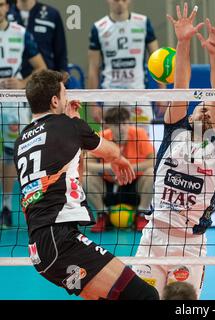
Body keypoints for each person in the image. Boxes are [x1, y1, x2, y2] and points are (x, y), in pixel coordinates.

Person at [13, 70, 159, 300]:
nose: (67, 97)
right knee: (145, 296)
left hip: (40, 248)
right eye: (64, 93)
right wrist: (118, 159)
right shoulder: (68, 125)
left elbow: (75, 176)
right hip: (60, 239)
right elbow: (111, 150)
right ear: (54, 101)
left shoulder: (22, 140)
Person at [132, 3, 215, 298]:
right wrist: (183, 42)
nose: (205, 110)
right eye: (200, 106)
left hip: (189, 243)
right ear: (189, 115)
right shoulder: (175, 131)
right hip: (154, 236)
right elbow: (182, 85)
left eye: (210, 109)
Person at [0, 0, 46, 227]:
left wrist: (21, 83)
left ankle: (7, 207)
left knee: (13, 154)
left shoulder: (21, 33)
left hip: (12, 103)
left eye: (0, 4)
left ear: (7, 8)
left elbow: (41, 68)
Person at [88, 0, 166, 124]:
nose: (120, 3)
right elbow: (93, 68)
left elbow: (156, 59)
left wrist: (162, 93)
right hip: (111, 97)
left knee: (143, 140)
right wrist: (93, 104)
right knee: (112, 141)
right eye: (116, 0)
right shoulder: (98, 28)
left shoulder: (143, 22)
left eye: (123, 0)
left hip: (139, 95)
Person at [84, 107, 155, 232]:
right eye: (116, 124)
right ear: (108, 125)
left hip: (134, 186)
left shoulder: (139, 134)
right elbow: (85, 164)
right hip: (110, 187)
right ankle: (103, 215)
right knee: (86, 176)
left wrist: (127, 168)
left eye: (125, 123)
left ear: (129, 123)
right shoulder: (101, 137)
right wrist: (109, 168)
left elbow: (153, 161)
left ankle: (142, 214)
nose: (121, 127)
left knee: (151, 173)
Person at [7, 0, 68, 78]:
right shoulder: (5, 14)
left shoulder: (52, 14)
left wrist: (61, 81)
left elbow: (61, 55)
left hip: (46, 82)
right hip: (12, 83)